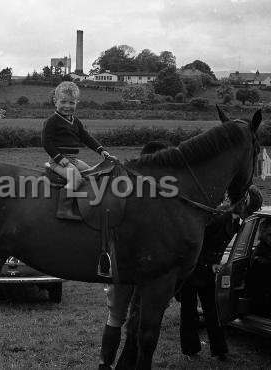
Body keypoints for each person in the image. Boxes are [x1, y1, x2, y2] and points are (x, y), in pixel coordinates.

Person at [98, 141, 168, 370]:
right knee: (126, 318)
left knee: (117, 318)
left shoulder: (128, 187)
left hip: (124, 265)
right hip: (132, 266)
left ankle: (106, 364)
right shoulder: (152, 193)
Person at [179, 186, 262, 360]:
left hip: (207, 270)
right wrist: (208, 264)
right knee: (189, 310)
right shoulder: (219, 218)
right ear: (242, 205)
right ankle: (191, 350)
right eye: (249, 210)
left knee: (212, 311)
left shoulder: (234, 220)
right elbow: (196, 241)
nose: (249, 215)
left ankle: (219, 350)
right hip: (192, 268)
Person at [42, 81, 115, 220]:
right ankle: (64, 209)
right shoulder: (52, 121)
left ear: (77, 102)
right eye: (63, 102)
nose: (67, 106)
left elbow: (86, 138)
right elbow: (46, 142)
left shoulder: (76, 122)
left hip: (73, 159)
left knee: (92, 173)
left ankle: (87, 201)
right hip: (58, 161)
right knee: (76, 178)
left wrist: (101, 150)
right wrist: (58, 158)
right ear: (55, 101)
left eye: (71, 103)